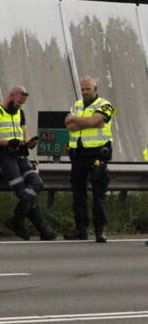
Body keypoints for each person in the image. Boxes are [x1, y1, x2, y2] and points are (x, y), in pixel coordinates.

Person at [0, 86, 56, 240]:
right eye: (18, 102)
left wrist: (28, 141)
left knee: (37, 183)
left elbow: (24, 132)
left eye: (22, 103)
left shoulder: (19, 112)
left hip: (20, 154)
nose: (20, 106)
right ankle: (43, 229)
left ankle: (16, 221)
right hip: (4, 156)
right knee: (22, 191)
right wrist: (7, 143)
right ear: (11, 96)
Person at [64, 76, 115, 243]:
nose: (85, 92)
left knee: (98, 194)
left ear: (95, 88)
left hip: (97, 154)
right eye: (83, 89)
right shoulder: (77, 105)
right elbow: (69, 125)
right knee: (78, 193)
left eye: (88, 89)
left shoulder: (106, 106)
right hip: (78, 154)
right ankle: (81, 229)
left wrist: (77, 120)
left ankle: (100, 230)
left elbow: (96, 121)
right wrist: (87, 122)